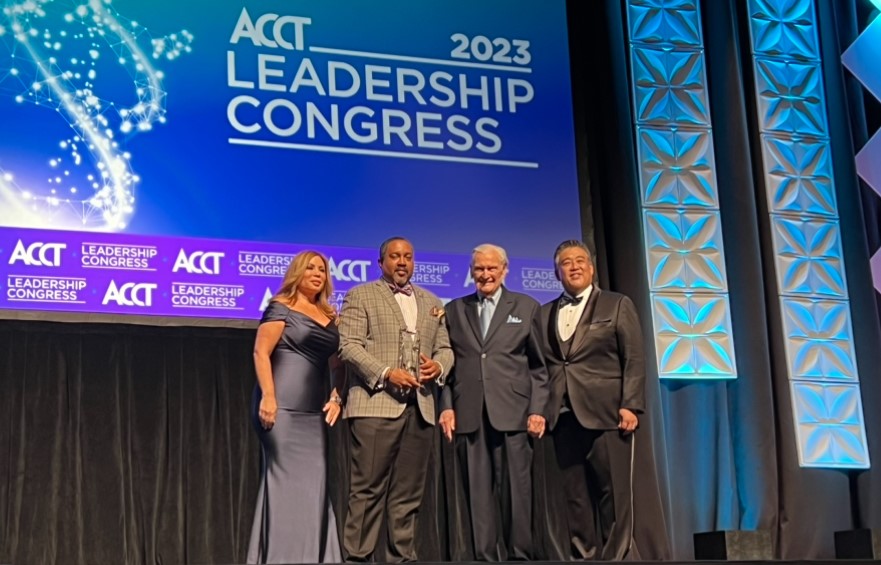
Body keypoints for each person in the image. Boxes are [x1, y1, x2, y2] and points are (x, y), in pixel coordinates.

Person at [338, 236, 454, 562]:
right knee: (367, 491)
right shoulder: (360, 296)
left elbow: (444, 348)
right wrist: (387, 372)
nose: (401, 262)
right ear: (381, 263)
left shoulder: (432, 301)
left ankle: (401, 558)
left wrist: (439, 365)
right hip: (376, 404)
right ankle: (357, 559)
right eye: (394, 256)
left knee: (408, 495)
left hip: (421, 408)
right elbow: (349, 346)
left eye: (407, 257)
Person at [439, 243, 549, 561]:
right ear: (471, 272)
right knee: (477, 492)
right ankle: (484, 557)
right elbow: (446, 365)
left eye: (491, 268)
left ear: (505, 270)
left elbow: (540, 367)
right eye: (479, 269)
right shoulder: (454, 310)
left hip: (515, 412)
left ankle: (520, 555)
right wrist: (447, 405)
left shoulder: (527, 306)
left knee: (517, 491)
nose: (485, 275)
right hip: (469, 412)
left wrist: (538, 409)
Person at [539, 239, 645, 561]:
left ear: (592, 267)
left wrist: (631, 404)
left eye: (580, 260)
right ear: (557, 273)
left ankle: (618, 559)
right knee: (575, 499)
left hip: (608, 414)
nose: (575, 266)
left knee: (613, 496)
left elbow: (635, 358)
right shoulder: (543, 313)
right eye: (567, 262)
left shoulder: (616, 304)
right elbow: (542, 367)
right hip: (564, 415)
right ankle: (583, 558)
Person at [247, 250, 344, 564]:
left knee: (314, 484)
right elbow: (261, 353)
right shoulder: (281, 307)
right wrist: (269, 397)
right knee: (285, 484)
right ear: (297, 273)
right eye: (310, 268)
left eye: (322, 270)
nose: (317, 274)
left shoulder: (331, 316)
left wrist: (336, 396)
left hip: (313, 414)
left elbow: (336, 364)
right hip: (282, 410)